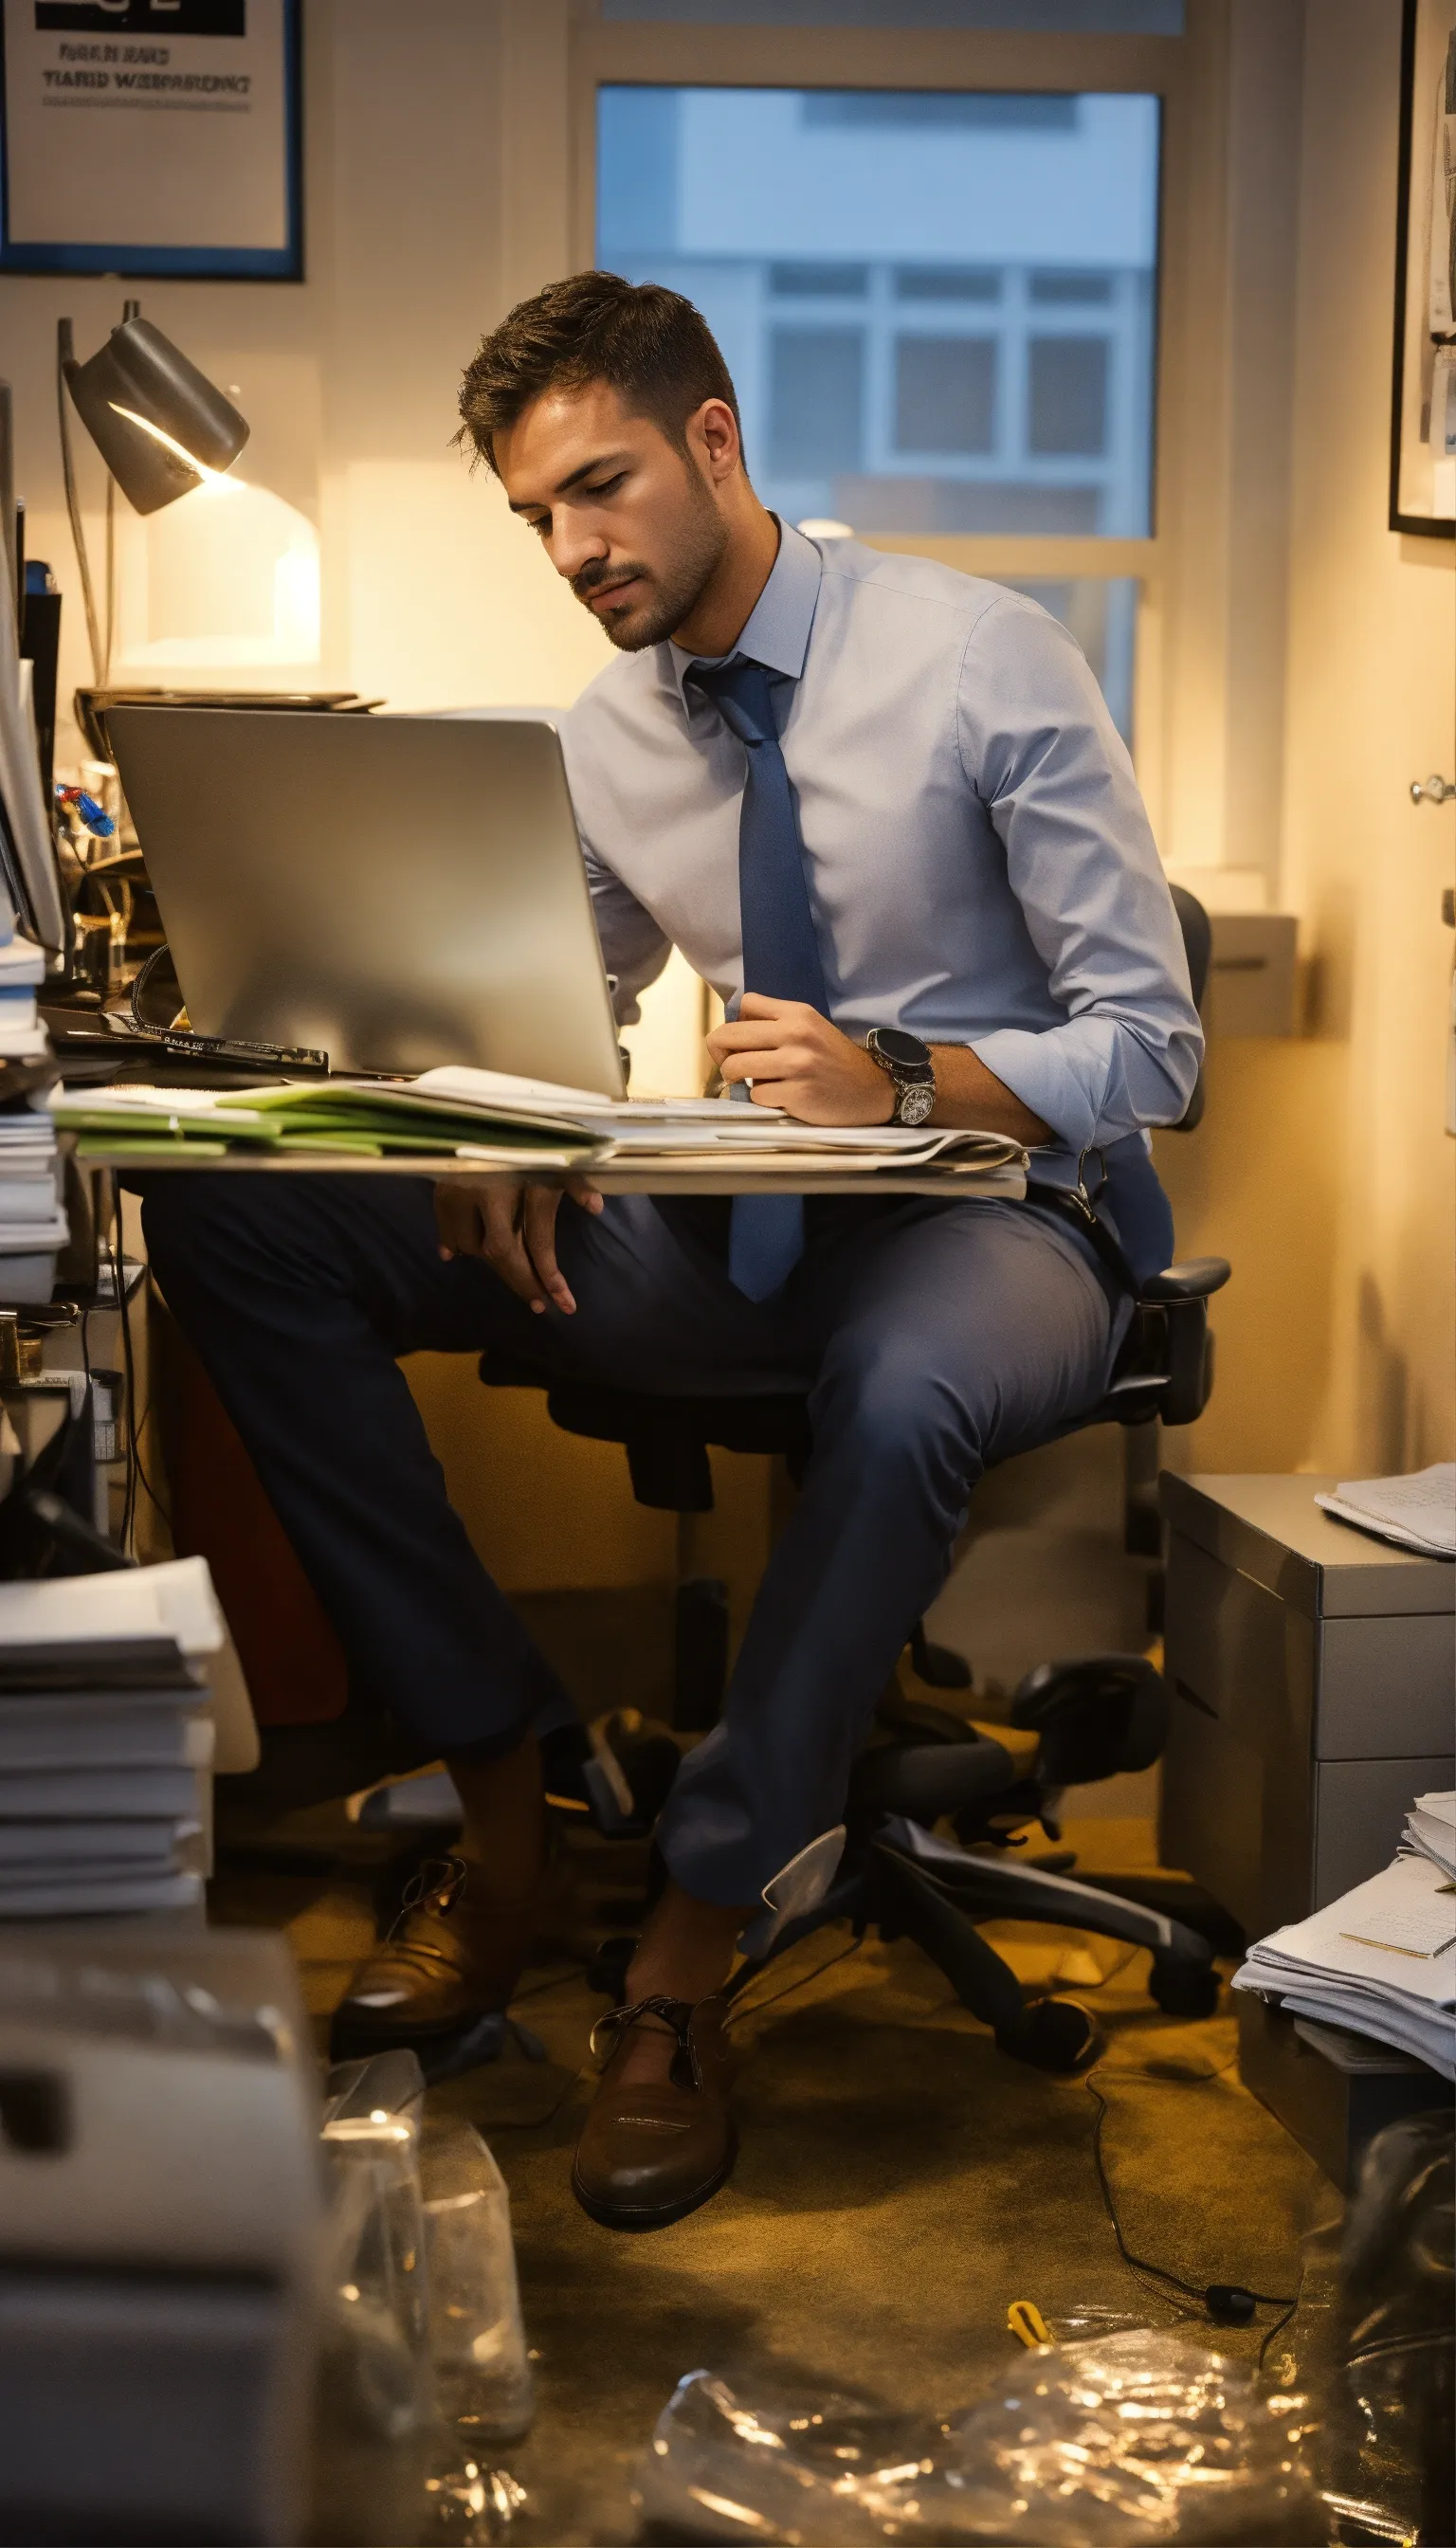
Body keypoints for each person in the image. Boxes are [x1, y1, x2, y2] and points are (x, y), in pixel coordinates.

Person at [142, 271, 1201, 2232]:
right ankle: (502, 1791)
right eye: (538, 516)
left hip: (999, 1214)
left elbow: (1156, 1043)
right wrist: (496, 1111)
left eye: (604, 489)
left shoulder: (984, 660)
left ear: (716, 438)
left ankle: (689, 1944)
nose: (575, 550)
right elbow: (550, 995)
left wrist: (896, 1074)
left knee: (898, 1398)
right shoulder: (607, 734)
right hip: (736, 1222)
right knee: (237, 1215)